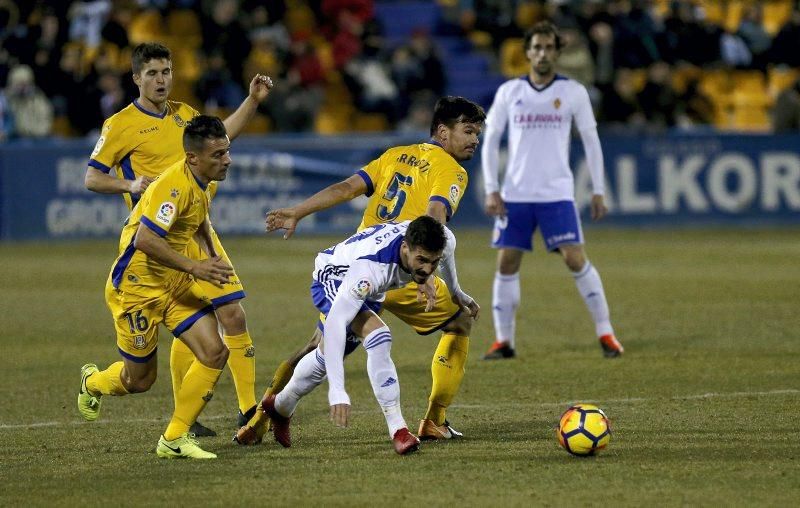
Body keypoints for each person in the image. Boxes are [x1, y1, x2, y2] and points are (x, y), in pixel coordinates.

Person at [235, 96, 484, 445]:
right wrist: (426, 275)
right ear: (443, 132)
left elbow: (346, 188)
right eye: (468, 131)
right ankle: (434, 420)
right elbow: (434, 216)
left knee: (320, 348)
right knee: (459, 321)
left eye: (478, 132)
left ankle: (261, 418)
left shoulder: (394, 155)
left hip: (357, 269)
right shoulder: (451, 170)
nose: (475, 139)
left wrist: (298, 211)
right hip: (405, 267)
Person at [84, 42, 273, 436]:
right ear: (136, 78)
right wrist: (130, 182)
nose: (160, 80)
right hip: (157, 238)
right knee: (156, 359)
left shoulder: (185, 115)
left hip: (198, 229)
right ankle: (183, 414)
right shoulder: (120, 125)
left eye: (166, 71)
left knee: (231, 313)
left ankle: (246, 410)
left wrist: (252, 102)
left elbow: (221, 138)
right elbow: (91, 177)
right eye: (152, 73)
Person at [77, 116, 235, 459]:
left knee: (215, 352)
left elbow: (200, 217)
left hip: (172, 284)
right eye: (219, 154)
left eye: (227, 152)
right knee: (140, 381)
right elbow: (145, 239)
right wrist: (196, 266)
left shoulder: (202, 181)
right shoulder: (172, 187)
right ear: (193, 157)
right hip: (136, 291)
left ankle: (174, 439)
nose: (227, 160)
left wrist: (210, 252)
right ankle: (92, 382)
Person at [480, 21, 623, 360]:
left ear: (558, 52)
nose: (542, 53)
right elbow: (490, 142)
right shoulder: (509, 92)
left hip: (557, 193)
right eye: (536, 47)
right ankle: (504, 341)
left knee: (576, 258)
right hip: (515, 194)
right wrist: (491, 189)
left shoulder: (573, 92)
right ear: (527, 52)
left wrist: (598, 190)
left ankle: (606, 333)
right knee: (507, 263)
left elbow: (591, 140)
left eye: (548, 48)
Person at [262, 216, 454, 455]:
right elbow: (335, 324)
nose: (427, 267)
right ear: (405, 247)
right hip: (335, 276)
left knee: (324, 358)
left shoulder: (443, 241)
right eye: (422, 261)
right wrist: (337, 390)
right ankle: (399, 429)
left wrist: (453, 291)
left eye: (433, 262)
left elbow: (442, 260)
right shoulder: (371, 271)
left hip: (370, 286)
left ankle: (280, 406)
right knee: (379, 336)